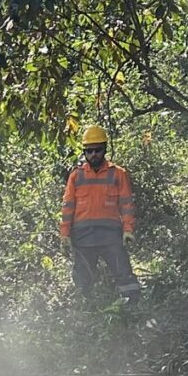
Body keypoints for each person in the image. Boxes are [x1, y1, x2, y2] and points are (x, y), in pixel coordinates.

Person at [59, 125, 140, 303]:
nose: (93, 154)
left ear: (105, 149)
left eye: (97, 150)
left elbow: (126, 204)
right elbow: (68, 206)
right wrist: (65, 234)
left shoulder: (118, 174)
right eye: (89, 151)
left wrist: (128, 230)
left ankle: (134, 308)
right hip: (83, 236)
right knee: (83, 279)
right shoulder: (76, 176)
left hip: (110, 235)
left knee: (123, 271)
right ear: (84, 151)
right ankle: (86, 312)